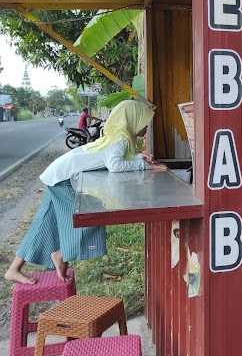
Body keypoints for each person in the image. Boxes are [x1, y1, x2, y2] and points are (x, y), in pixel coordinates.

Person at [5, 99, 164, 285]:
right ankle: (61, 254)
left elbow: (112, 158)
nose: (146, 126)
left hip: (57, 173)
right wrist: (147, 167)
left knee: (44, 222)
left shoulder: (118, 136)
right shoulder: (121, 139)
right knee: (90, 215)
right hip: (64, 179)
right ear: (132, 120)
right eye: (144, 121)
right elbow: (115, 165)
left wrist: (139, 157)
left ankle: (13, 269)